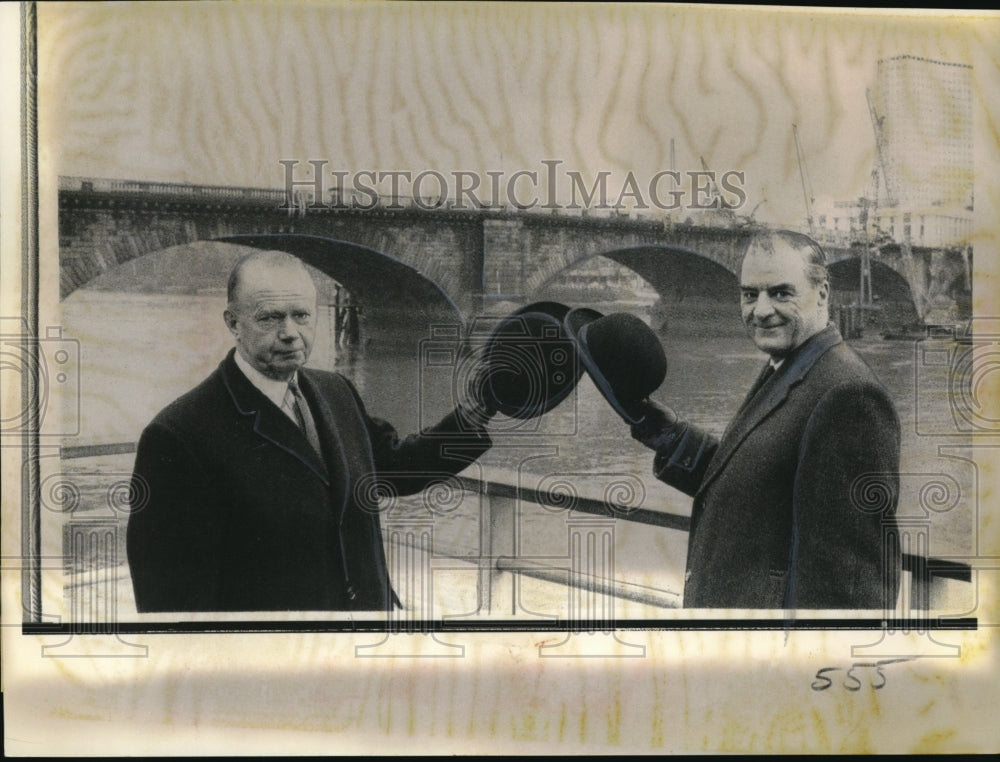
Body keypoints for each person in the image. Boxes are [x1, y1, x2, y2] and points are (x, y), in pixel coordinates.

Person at [126, 250, 496, 613]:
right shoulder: (177, 436)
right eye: (270, 318)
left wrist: (481, 405)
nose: (290, 333)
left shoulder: (336, 391)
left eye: (301, 315)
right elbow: (170, 604)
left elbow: (399, 468)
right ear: (233, 323)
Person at [628, 230, 901, 609]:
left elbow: (850, 582)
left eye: (781, 293)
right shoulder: (791, 366)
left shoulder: (848, 396)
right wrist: (670, 437)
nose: (760, 310)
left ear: (822, 293)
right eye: (749, 294)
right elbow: (759, 485)